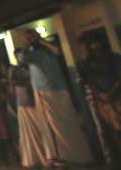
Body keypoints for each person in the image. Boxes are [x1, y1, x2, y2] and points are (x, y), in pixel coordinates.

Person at [18, 28, 94, 164]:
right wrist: (26, 44)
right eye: (28, 38)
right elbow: (21, 59)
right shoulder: (30, 53)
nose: (32, 39)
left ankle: (75, 155)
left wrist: (41, 40)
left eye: (33, 36)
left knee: (68, 123)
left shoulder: (48, 49)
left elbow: (58, 50)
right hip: (43, 92)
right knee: (51, 127)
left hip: (60, 90)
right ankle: (57, 157)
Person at [77, 31, 121, 166]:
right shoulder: (84, 63)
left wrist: (111, 92)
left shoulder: (113, 57)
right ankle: (112, 161)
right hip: (97, 100)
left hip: (116, 97)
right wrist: (101, 94)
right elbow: (86, 81)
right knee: (104, 131)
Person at [11, 52, 49, 168]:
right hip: (23, 104)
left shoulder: (32, 67)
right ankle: (32, 158)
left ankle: (47, 156)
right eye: (19, 56)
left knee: (41, 129)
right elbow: (14, 82)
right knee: (28, 133)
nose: (21, 58)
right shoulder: (15, 70)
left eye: (22, 56)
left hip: (35, 102)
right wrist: (26, 82)